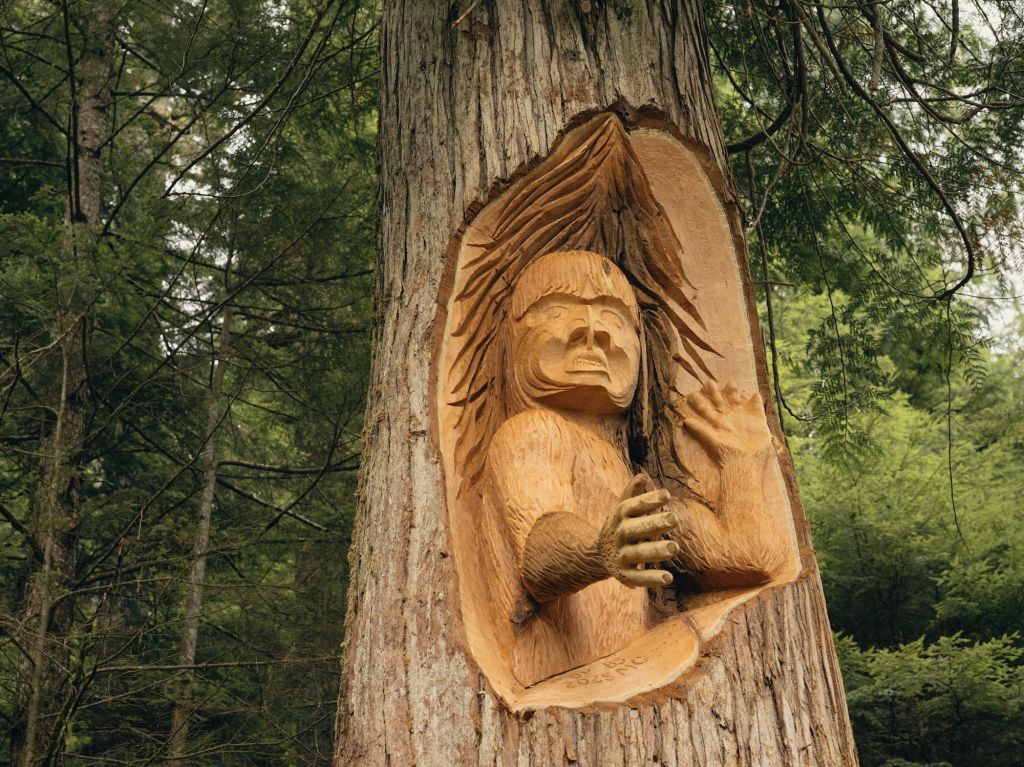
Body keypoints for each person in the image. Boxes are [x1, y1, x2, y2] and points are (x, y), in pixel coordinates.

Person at [486, 249, 786, 685]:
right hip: (555, 682)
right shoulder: (534, 431)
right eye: (557, 311)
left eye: (612, 317)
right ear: (514, 337)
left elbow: (752, 559)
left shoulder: (629, 475)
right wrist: (596, 551)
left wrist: (741, 460)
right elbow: (539, 549)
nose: (591, 332)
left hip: (622, 672)